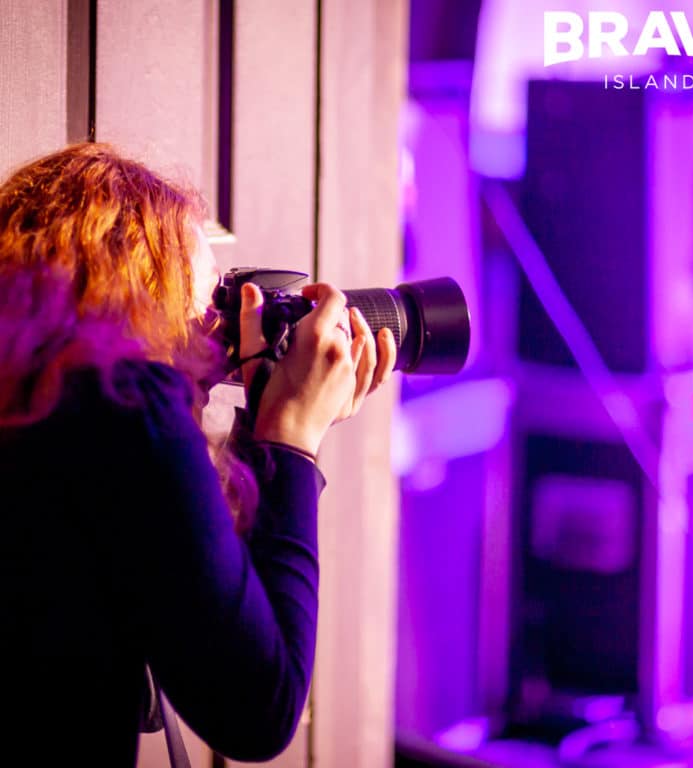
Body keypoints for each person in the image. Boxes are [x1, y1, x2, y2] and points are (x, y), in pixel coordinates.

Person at [0, 142, 396, 765]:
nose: (222, 327)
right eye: (214, 296)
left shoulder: (34, 408)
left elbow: (192, 598)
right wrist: (292, 435)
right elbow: (259, 709)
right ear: (136, 285)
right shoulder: (127, 404)